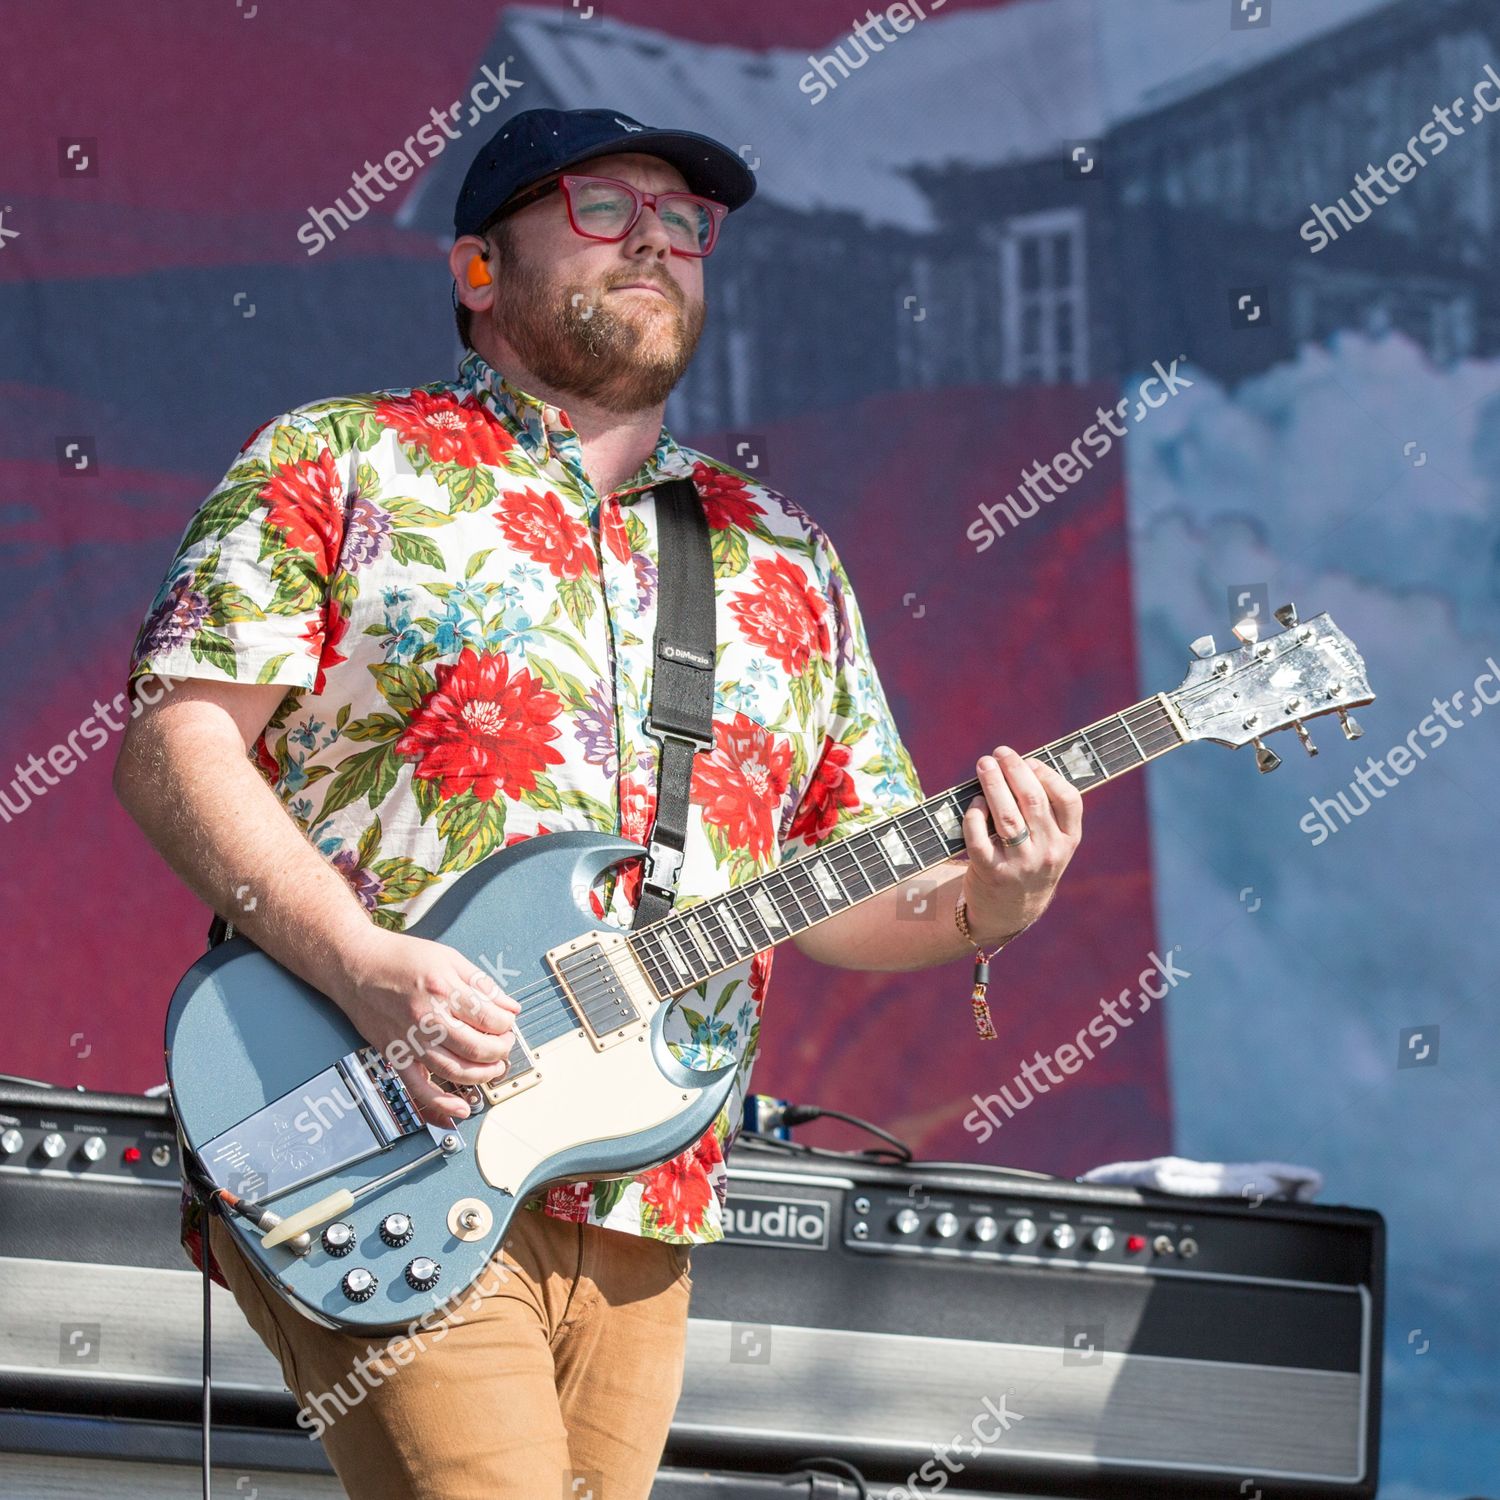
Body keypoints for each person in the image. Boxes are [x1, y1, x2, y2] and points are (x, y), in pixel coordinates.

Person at [113, 105, 1082, 1500]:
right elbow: (175, 751)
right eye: (602, 210)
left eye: (684, 224)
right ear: (478, 270)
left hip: (651, 1194)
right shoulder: (341, 462)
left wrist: (1000, 892)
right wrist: (367, 967)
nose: (655, 245)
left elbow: (858, 890)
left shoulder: (778, 555)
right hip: (380, 1124)